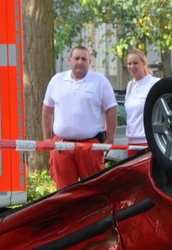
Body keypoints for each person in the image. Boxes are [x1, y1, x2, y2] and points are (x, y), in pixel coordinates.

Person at [42, 45, 117, 188]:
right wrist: (46, 138)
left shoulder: (100, 81)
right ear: (70, 60)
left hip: (90, 146)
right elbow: (47, 109)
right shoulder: (57, 81)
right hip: (61, 146)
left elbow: (111, 110)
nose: (80, 62)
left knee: (92, 190)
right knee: (64, 192)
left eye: (84, 59)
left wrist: (109, 139)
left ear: (90, 62)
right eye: (76, 58)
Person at [123, 48, 160, 148]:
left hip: (148, 141)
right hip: (131, 141)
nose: (132, 66)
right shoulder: (130, 85)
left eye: (135, 63)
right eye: (129, 63)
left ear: (143, 63)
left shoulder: (154, 83)